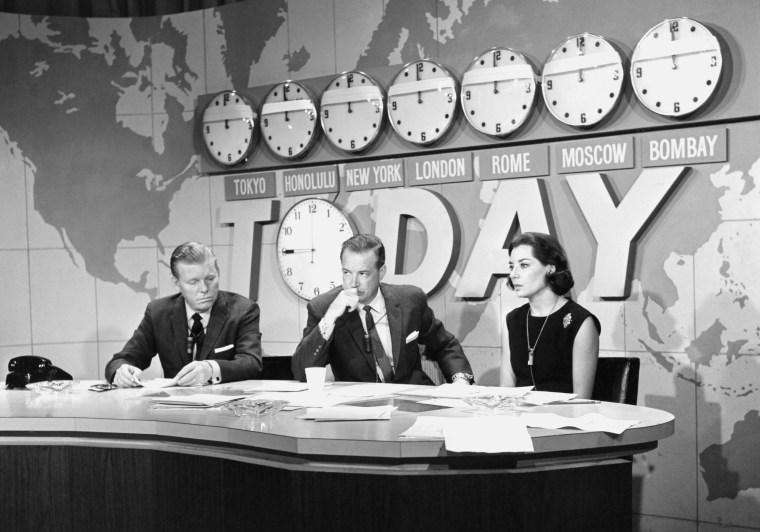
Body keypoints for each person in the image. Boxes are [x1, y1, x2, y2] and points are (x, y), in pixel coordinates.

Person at [292, 234, 474, 385]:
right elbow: (301, 372)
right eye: (347, 273)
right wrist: (330, 317)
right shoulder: (323, 308)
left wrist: (461, 380)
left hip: (413, 403)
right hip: (357, 413)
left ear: (381, 272)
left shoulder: (409, 301)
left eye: (363, 274)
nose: (353, 283)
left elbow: (445, 345)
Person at [106, 241, 263, 387]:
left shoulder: (243, 310)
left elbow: (251, 362)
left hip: (226, 408)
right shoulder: (158, 312)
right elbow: (122, 360)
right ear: (176, 283)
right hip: (174, 411)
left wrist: (210, 369)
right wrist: (122, 372)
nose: (204, 288)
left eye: (210, 278)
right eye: (193, 282)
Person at [500, 232, 600, 398]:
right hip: (520, 419)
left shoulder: (579, 322)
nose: (513, 274)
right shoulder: (513, 320)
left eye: (524, 265)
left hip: (563, 419)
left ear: (550, 268)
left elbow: (581, 401)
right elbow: (506, 392)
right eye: (512, 267)